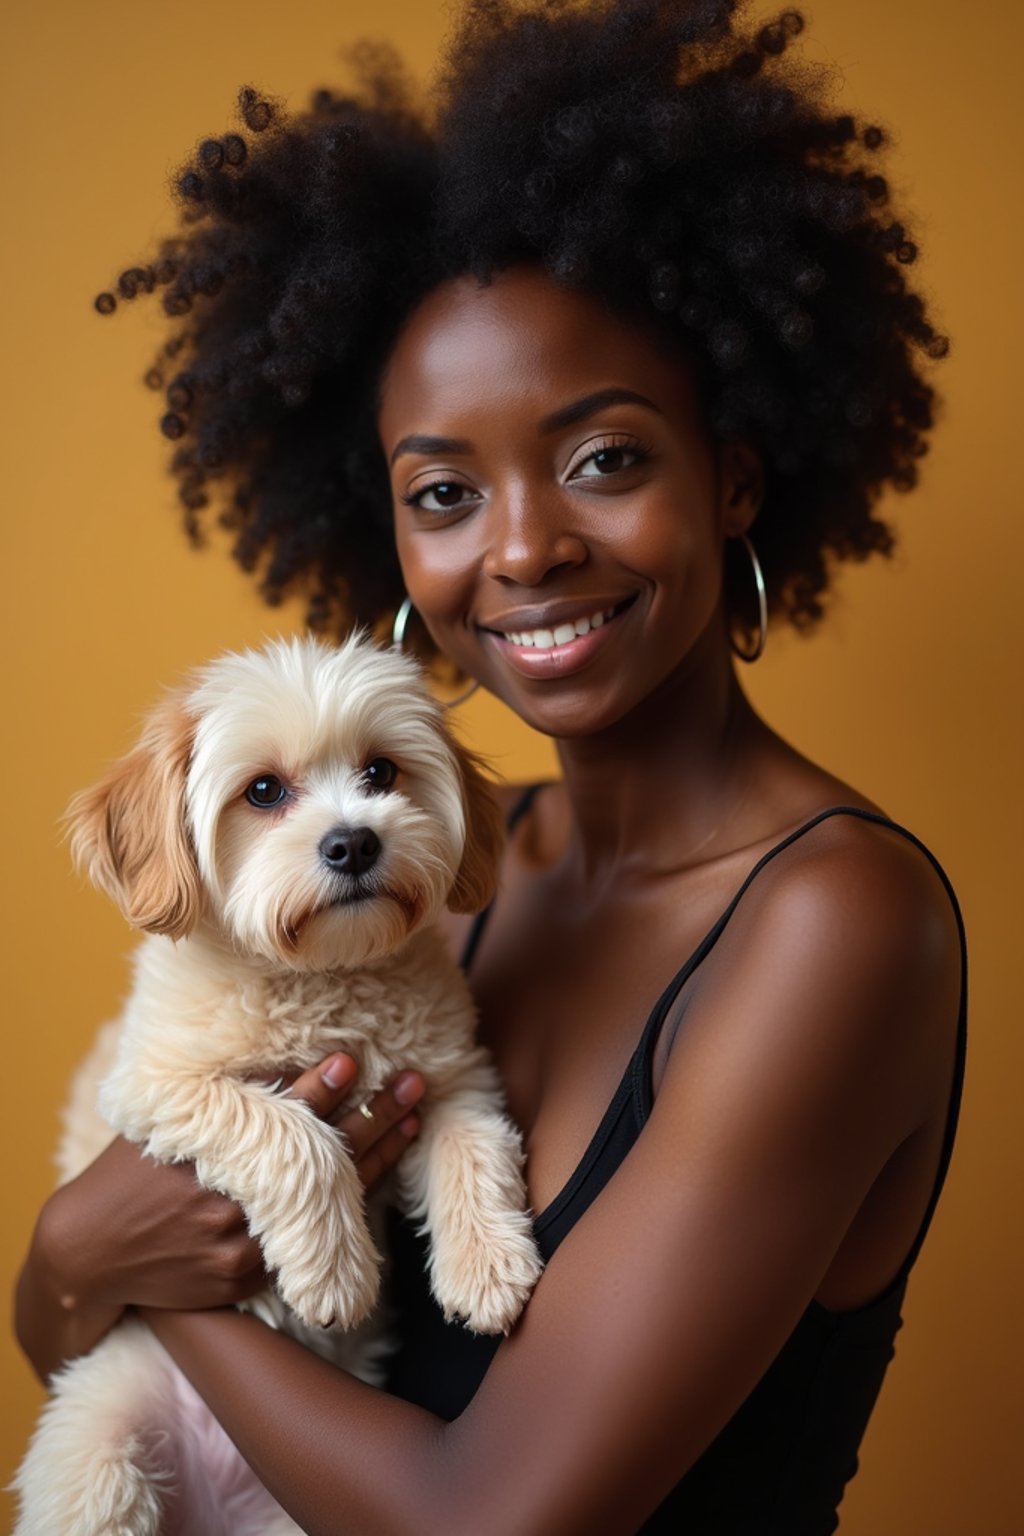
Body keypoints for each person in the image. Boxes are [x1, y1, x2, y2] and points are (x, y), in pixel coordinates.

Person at [14, 1, 966, 1531]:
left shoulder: (837, 922)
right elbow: (63, 1339)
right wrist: (68, 1259)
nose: (522, 547)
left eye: (605, 458)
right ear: (389, 534)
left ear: (733, 474)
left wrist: (142, 1279)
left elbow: (495, 1521)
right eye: (444, 489)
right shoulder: (431, 863)